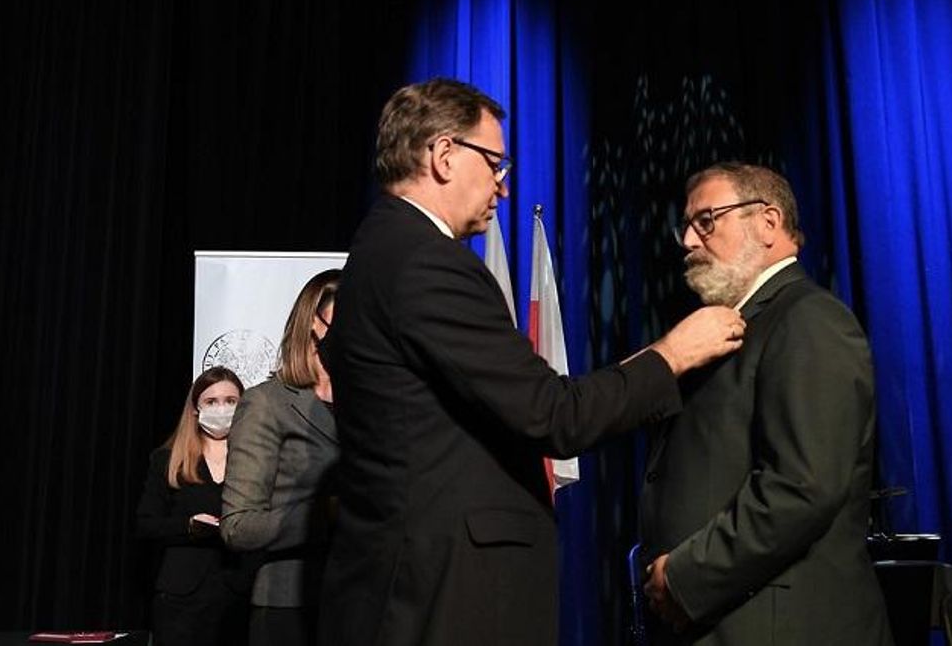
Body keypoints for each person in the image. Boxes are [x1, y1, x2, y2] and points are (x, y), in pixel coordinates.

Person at [317, 77, 745, 646]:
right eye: (496, 163)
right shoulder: (427, 262)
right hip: (444, 596)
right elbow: (553, 417)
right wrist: (672, 355)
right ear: (444, 155)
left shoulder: (381, 249)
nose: (503, 188)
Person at [639, 163, 893, 645]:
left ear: (769, 222)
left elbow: (800, 488)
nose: (690, 242)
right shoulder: (733, 327)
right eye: (687, 227)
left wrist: (685, 576)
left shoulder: (810, 320)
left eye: (707, 220)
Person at [220, 269, 341, 646]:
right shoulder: (267, 403)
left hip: (365, 601)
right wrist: (324, 515)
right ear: (313, 327)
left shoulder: (373, 407)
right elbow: (238, 526)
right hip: (289, 607)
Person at [136, 366, 251, 646]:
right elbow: (146, 523)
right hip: (182, 599)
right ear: (196, 409)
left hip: (241, 594)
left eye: (231, 401)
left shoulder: (256, 460)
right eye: (211, 401)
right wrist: (188, 526)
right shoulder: (167, 460)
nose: (222, 409)